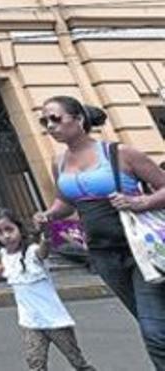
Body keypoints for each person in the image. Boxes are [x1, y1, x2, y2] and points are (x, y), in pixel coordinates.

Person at [33, 96, 165, 369]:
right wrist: (49, 214)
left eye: (55, 118)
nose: (49, 126)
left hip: (140, 248)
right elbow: (65, 202)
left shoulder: (119, 153)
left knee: (154, 331)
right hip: (103, 255)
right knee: (149, 320)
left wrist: (141, 202)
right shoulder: (59, 163)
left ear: (79, 119)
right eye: (44, 121)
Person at [0, 208, 96, 371]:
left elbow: (42, 252)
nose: (6, 236)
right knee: (35, 364)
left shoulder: (31, 252)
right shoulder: (3, 255)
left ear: (19, 228)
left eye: (9, 229)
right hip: (30, 322)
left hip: (55, 321)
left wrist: (45, 235)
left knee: (77, 362)